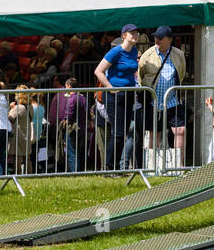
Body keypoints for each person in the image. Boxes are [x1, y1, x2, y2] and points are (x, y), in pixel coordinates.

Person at [95, 25, 143, 172]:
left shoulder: (134, 51)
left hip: (128, 94)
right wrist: (110, 87)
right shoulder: (115, 52)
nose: (135, 35)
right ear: (123, 35)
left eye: (136, 33)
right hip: (115, 96)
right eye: (132, 33)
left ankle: (116, 167)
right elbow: (99, 71)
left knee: (123, 133)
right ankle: (109, 167)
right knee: (118, 133)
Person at [139, 26, 188, 163]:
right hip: (153, 102)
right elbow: (141, 76)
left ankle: (179, 165)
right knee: (155, 133)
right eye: (156, 37)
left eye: (161, 37)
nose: (157, 39)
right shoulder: (147, 55)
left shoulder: (178, 55)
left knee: (180, 131)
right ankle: (152, 165)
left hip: (172, 100)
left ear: (170, 39)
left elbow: (182, 73)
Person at [58, 77, 90, 172]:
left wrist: (64, 124)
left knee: (71, 152)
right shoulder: (83, 98)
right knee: (78, 151)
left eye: (65, 86)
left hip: (72, 129)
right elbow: (87, 113)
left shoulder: (71, 99)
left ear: (69, 86)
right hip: (82, 128)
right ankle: (79, 171)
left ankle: (75, 172)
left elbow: (69, 115)